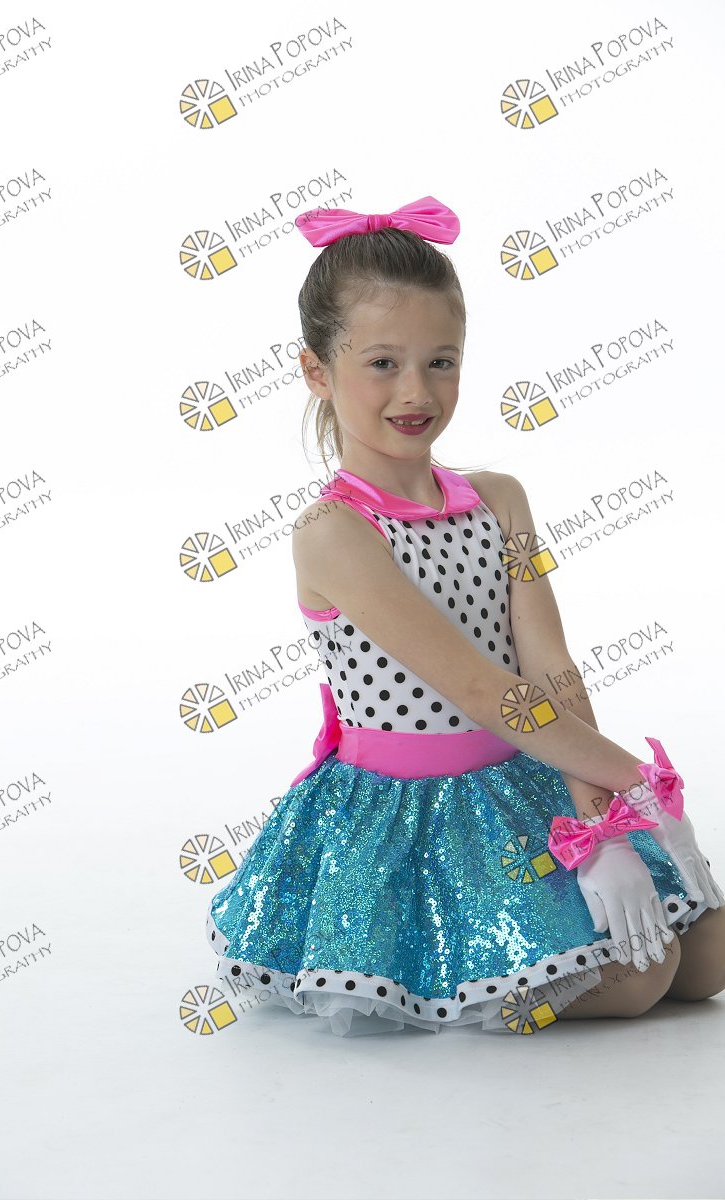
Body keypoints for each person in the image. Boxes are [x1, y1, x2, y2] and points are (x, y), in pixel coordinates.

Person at [204, 196, 725, 1037]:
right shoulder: (335, 532)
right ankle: (461, 987)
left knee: (705, 961)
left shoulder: (500, 500)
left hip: (527, 775)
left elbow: (549, 670)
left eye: (440, 361)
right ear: (317, 372)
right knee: (641, 979)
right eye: (382, 363)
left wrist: (599, 819)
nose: (416, 391)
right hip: (413, 820)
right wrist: (640, 781)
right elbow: (487, 692)